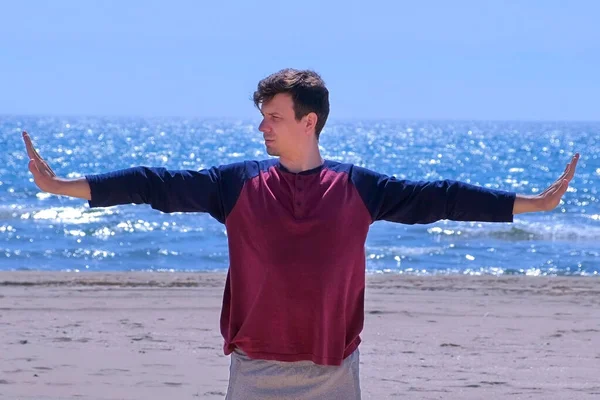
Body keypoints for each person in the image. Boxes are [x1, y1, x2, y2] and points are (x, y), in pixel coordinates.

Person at [23, 68, 579, 399]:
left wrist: (531, 203)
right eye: (262, 116)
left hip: (331, 371)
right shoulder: (234, 184)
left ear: (308, 122)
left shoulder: (359, 187)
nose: (261, 126)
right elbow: (154, 184)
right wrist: (66, 186)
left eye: (273, 117)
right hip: (255, 367)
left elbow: (440, 198)